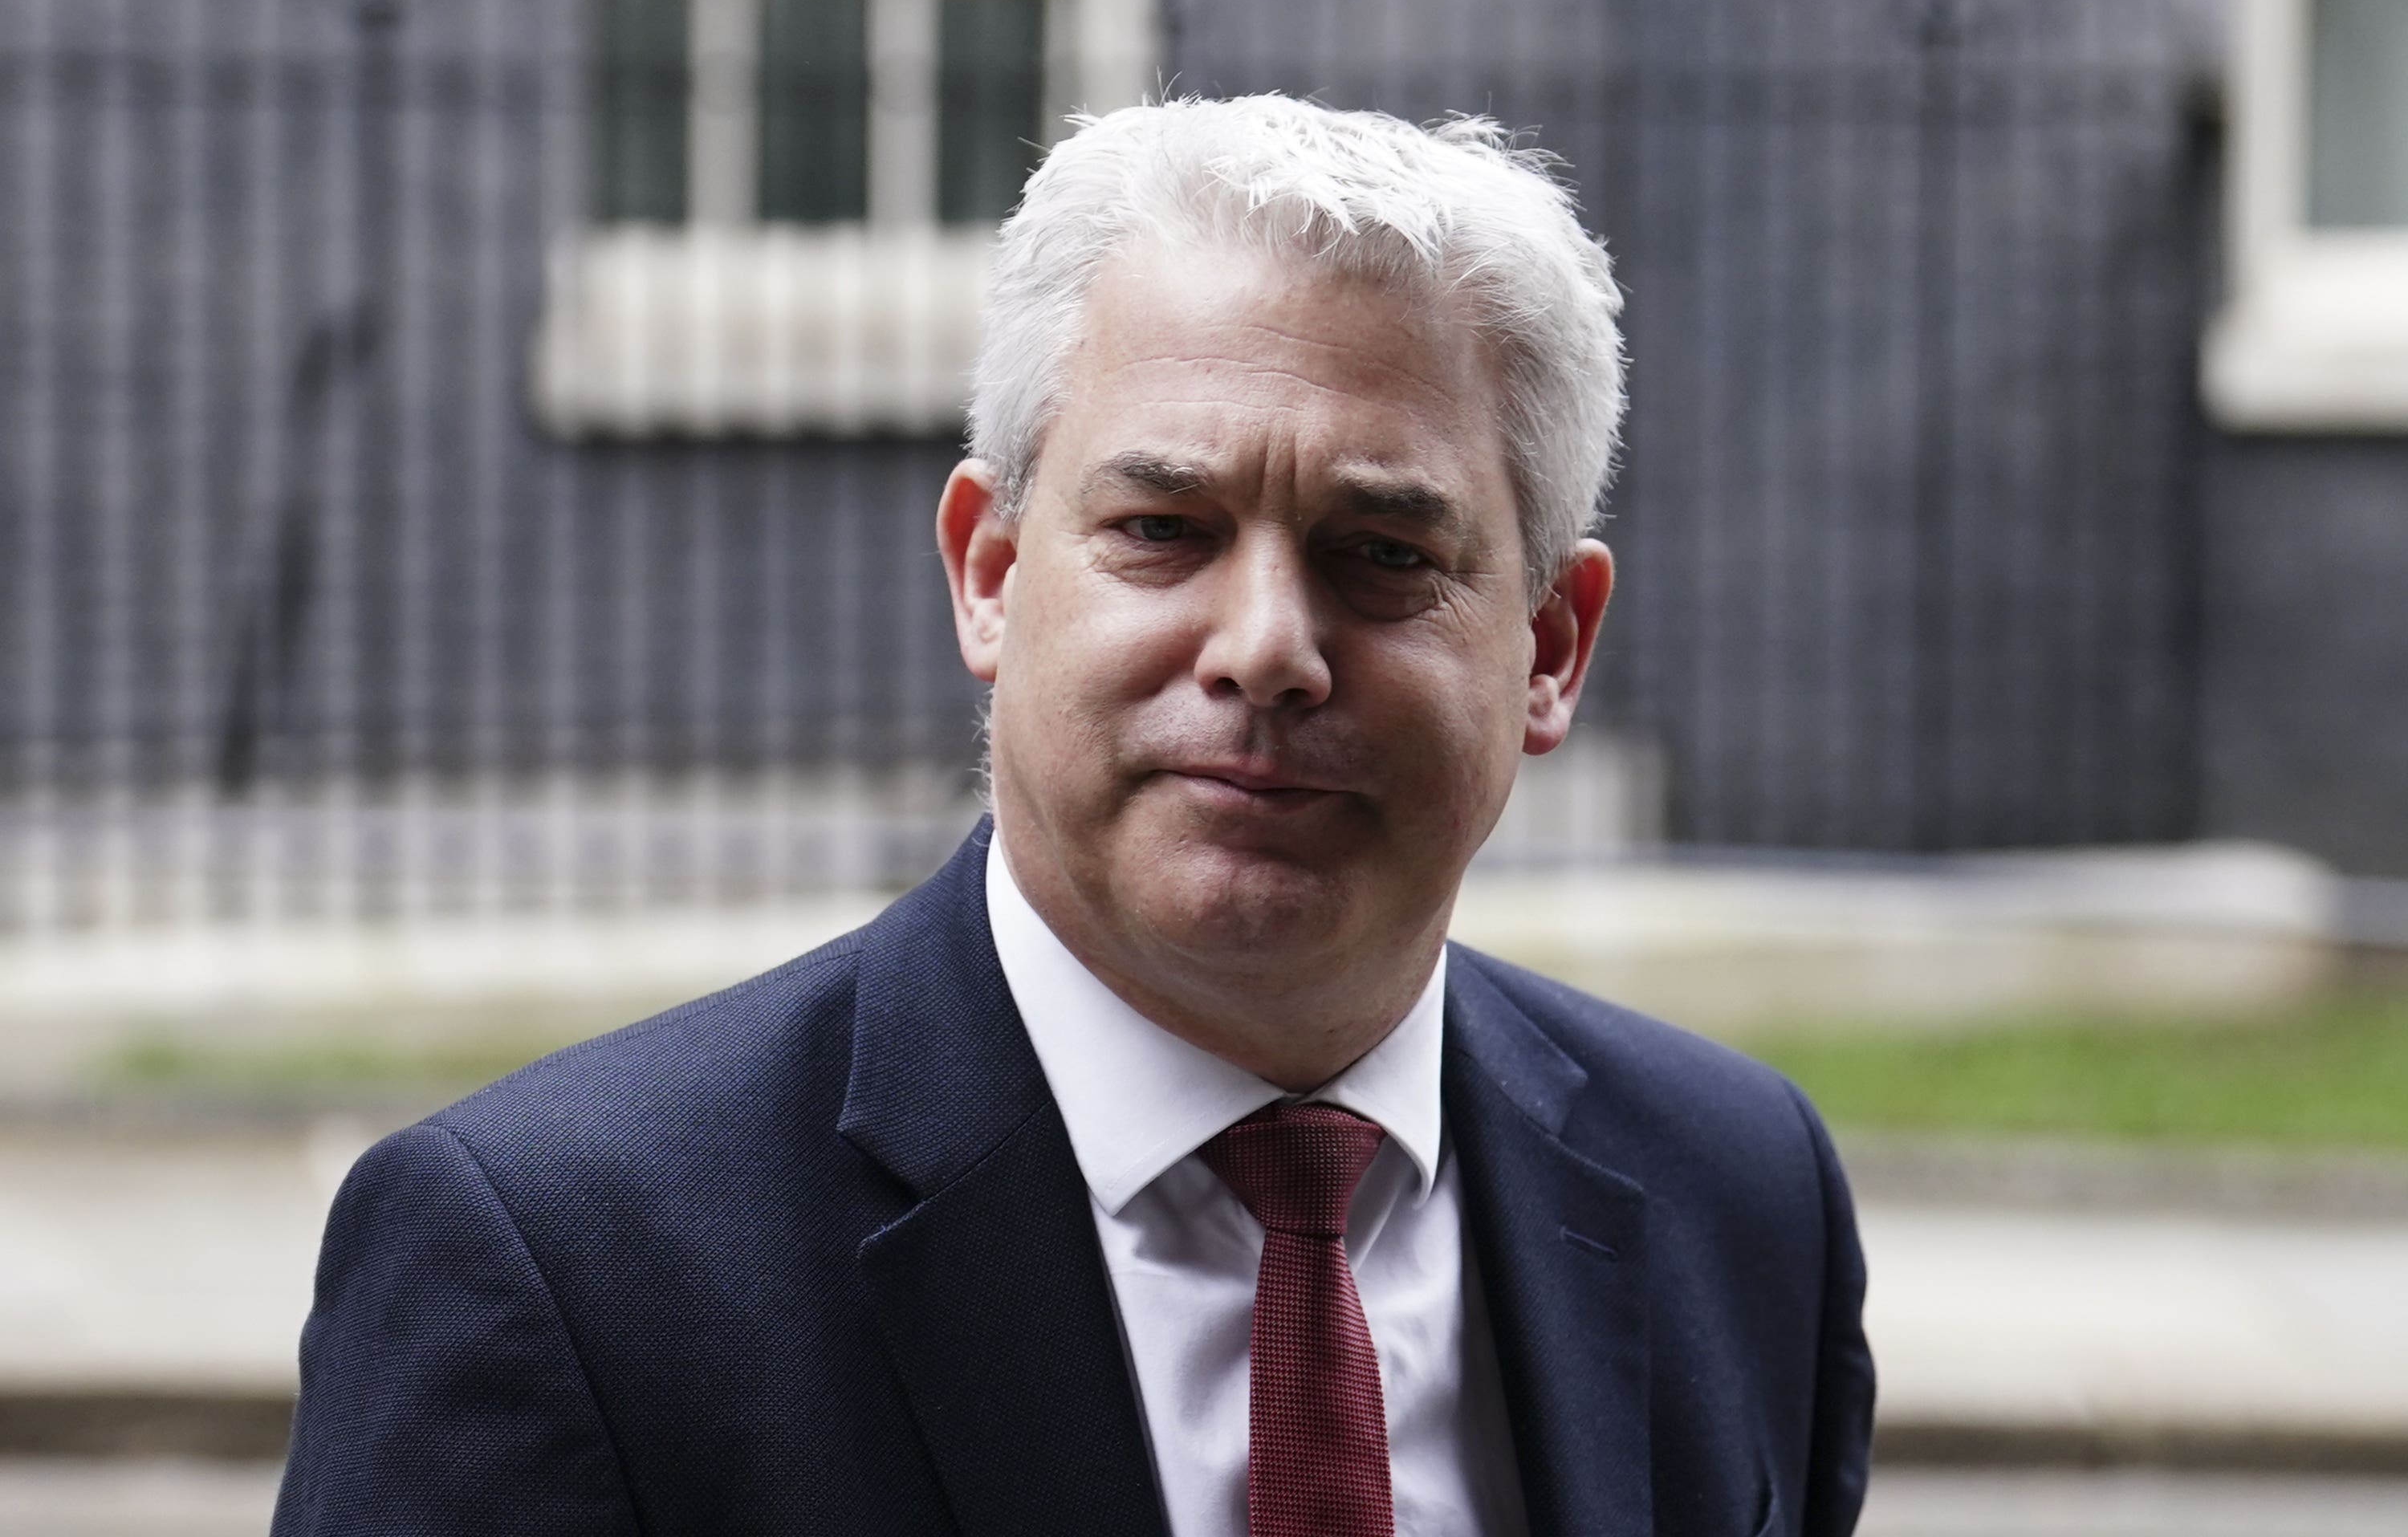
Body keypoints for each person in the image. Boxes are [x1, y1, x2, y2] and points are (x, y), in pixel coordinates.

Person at [274, 95, 1874, 1537]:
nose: (1264, 647)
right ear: (990, 571)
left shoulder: (1742, 1199)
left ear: (1549, 645)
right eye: (1164, 527)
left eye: (1383, 553)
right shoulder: (561, 1272)